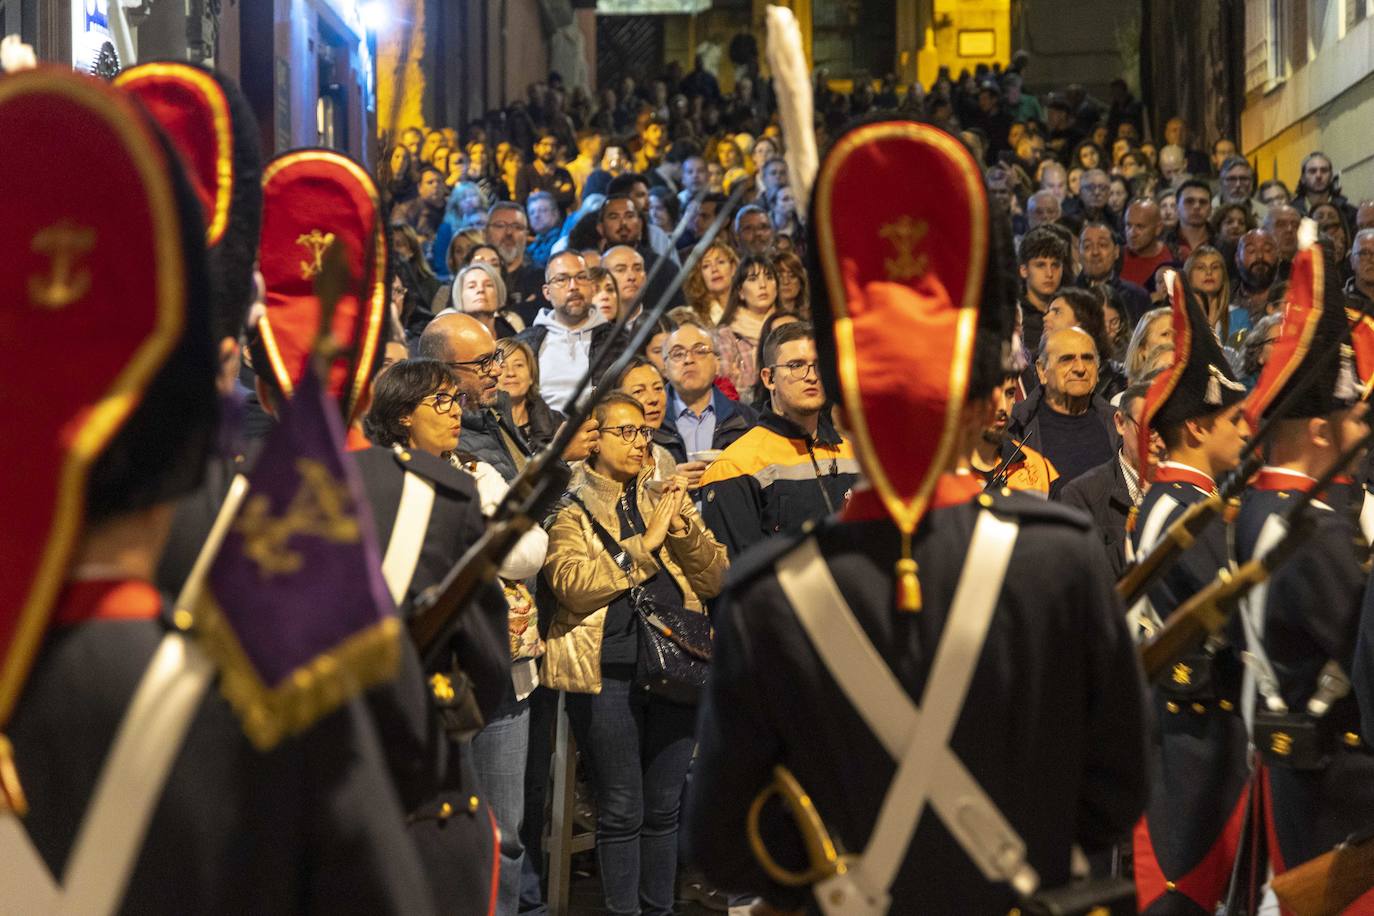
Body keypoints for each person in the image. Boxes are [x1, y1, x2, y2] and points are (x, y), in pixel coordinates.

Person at [685, 119, 1148, 915]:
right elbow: (1115, 792)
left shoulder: (772, 591)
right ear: (980, 409)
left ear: (846, 411)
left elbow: (726, 842)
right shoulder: (1058, 559)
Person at [364, 358, 551, 916]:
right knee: (425, 834)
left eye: (456, 399)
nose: (456, 412)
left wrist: (468, 542)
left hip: (504, 673)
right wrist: (478, 541)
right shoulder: (381, 482)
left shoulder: (476, 469)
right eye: (440, 402)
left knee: (506, 834)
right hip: (419, 682)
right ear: (402, 417)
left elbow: (528, 552)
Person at [541, 394, 727, 916]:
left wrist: (682, 527)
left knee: (665, 808)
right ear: (595, 440)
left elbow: (715, 576)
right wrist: (646, 544)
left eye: (645, 432)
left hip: (678, 664)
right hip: (609, 671)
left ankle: (659, 910)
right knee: (623, 809)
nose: (640, 441)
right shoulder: (571, 503)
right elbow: (572, 585)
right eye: (625, 432)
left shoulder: (664, 495)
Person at [1130, 276, 1252, 916]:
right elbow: (1231, 618)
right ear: (1198, 431)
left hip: (1212, 737)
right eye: (1234, 418)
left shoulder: (1195, 504)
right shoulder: (1173, 512)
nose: (1245, 428)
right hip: (1187, 748)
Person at [698, 322, 860, 559]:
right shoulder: (734, 466)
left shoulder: (853, 455)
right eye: (796, 366)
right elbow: (742, 576)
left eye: (818, 366)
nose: (811, 376)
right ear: (769, 378)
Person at [1058, 381, 1152, 577]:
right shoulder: (1082, 495)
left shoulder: (1183, 489)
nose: (1156, 437)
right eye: (1146, 427)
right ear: (1120, 423)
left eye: (1164, 426)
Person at [1011, 327, 1119, 485]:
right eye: (1067, 359)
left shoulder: (1119, 424)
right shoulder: (1015, 426)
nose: (1080, 369)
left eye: (1088, 359)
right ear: (1042, 370)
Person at [656, 320, 759, 481]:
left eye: (700, 351)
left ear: (717, 364)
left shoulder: (747, 420)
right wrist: (663, 480)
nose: (689, 359)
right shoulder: (651, 422)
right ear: (665, 368)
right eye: (678, 353)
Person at [515, 250, 612, 412]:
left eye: (581, 277)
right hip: (542, 433)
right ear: (546, 292)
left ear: (592, 287)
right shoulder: (525, 344)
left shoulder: (618, 339)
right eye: (562, 279)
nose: (573, 286)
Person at [968, 374, 1059, 495]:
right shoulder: (940, 468)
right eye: (992, 395)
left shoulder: (1040, 468)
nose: (1003, 407)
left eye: (1010, 393)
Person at [715, 255, 781, 402]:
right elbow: (726, 390)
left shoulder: (790, 326)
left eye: (769, 277)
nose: (763, 285)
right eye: (753, 279)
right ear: (740, 291)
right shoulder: (726, 336)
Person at [1075, 221, 1151, 323]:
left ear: (1116, 252)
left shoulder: (1137, 297)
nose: (1095, 252)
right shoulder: (1067, 297)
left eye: (1102, 245)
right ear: (1078, 254)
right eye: (1087, 246)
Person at [496, 338, 564, 451]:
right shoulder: (483, 427)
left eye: (518, 365)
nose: (511, 373)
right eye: (502, 366)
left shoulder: (556, 423)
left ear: (531, 376)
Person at [486, 201, 547, 325]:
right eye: (500, 225)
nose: (509, 233)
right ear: (486, 232)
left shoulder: (541, 277)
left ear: (526, 234)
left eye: (517, 227)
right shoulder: (473, 277)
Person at [1017, 226, 1068, 353]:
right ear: (1024, 270)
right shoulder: (1014, 317)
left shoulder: (1071, 311)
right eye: (1041, 265)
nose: (1050, 273)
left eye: (1055, 265)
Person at [1121, 198, 1178, 288]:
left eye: (1140, 227)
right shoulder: (1114, 258)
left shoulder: (1175, 256)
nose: (1132, 233)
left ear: (1158, 228)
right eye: (1128, 225)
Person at [515, 131, 575, 211]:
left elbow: (569, 198)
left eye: (553, 145)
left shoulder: (563, 173)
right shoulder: (524, 172)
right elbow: (522, 200)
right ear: (536, 147)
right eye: (545, 145)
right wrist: (557, 192)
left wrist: (538, 194)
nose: (549, 149)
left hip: (559, 221)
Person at [683, 241, 737, 325]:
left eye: (720, 262)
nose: (714, 269)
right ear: (699, 276)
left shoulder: (752, 305)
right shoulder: (693, 317)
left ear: (733, 268)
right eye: (706, 266)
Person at [1165, 178, 1215, 258]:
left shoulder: (1223, 246)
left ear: (1210, 209)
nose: (1197, 206)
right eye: (1189, 201)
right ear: (1176, 207)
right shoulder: (1163, 243)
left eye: (1203, 202)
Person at [524, 190, 564, 270]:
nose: (536, 215)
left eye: (542, 210)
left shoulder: (562, 241)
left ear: (555, 213)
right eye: (532, 212)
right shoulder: (533, 245)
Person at [774, 249, 810, 318]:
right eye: (779, 276)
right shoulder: (764, 319)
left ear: (801, 281)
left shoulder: (812, 318)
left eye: (792, 276)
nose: (786, 282)